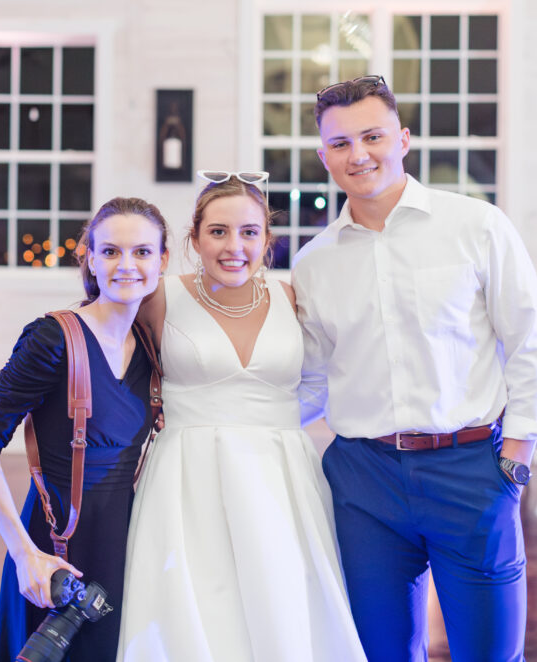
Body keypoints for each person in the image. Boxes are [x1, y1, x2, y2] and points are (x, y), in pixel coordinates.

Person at [292, 75, 537, 662]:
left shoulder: (477, 227)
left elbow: (530, 340)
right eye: (340, 144)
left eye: (372, 136)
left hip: (471, 471)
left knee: (491, 653)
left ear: (403, 138)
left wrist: (516, 455)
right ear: (323, 156)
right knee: (379, 651)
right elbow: (313, 379)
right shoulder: (314, 265)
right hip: (363, 482)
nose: (358, 155)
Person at [117, 172, 366, 661]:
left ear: (267, 239)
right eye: (218, 232)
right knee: (195, 614)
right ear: (194, 238)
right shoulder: (160, 297)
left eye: (249, 232)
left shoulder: (291, 297)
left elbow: (319, 376)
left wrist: (277, 423)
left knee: (282, 606)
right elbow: (104, 351)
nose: (235, 246)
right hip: (186, 480)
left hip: (280, 477)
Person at [0, 197, 169, 662]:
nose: (126, 265)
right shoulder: (54, 339)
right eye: (111, 251)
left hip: (126, 539)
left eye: (142, 252)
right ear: (90, 258)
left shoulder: (151, 346)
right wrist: (23, 555)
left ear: (162, 261)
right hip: (57, 546)